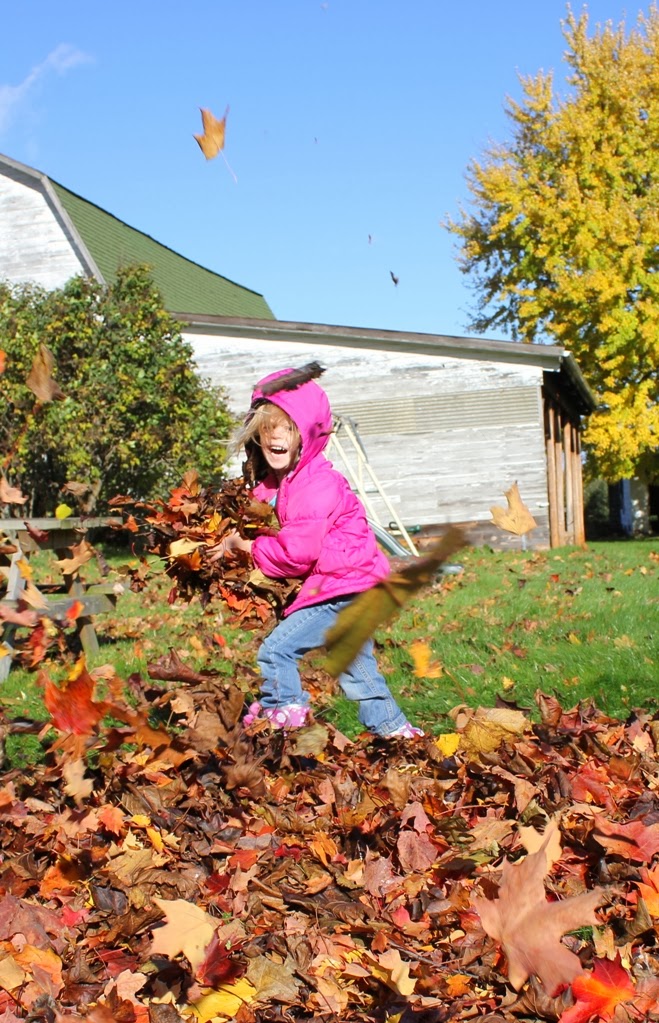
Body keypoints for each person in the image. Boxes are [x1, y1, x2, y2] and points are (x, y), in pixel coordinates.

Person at [213, 366, 424, 739]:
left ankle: (284, 717)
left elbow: (297, 554)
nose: (276, 435)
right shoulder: (284, 482)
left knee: (276, 652)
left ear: (306, 436)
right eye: (266, 429)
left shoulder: (316, 484)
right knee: (355, 666)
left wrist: (246, 546)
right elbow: (268, 510)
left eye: (288, 429)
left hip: (342, 588)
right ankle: (394, 730)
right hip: (359, 582)